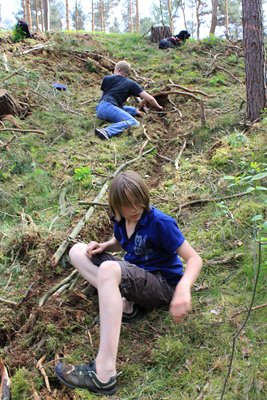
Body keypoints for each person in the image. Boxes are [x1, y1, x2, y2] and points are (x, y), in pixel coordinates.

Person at [55, 170, 203, 395]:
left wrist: (183, 289)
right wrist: (105, 246)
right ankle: (126, 306)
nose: (134, 209)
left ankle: (104, 374)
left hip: (162, 286)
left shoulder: (160, 223)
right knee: (77, 251)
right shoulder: (122, 221)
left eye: (138, 203)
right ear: (116, 206)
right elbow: (121, 242)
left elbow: (194, 259)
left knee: (109, 269)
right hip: (135, 278)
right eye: (127, 205)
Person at [94, 60, 163, 140]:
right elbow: (150, 98)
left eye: (114, 70)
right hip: (109, 107)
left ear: (118, 70)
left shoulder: (106, 78)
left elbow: (101, 97)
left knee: (133, 110)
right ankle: (106, 131)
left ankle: (109, 119)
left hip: (100, 108)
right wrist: (158, 107)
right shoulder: (131, 84)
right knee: (134, 122)